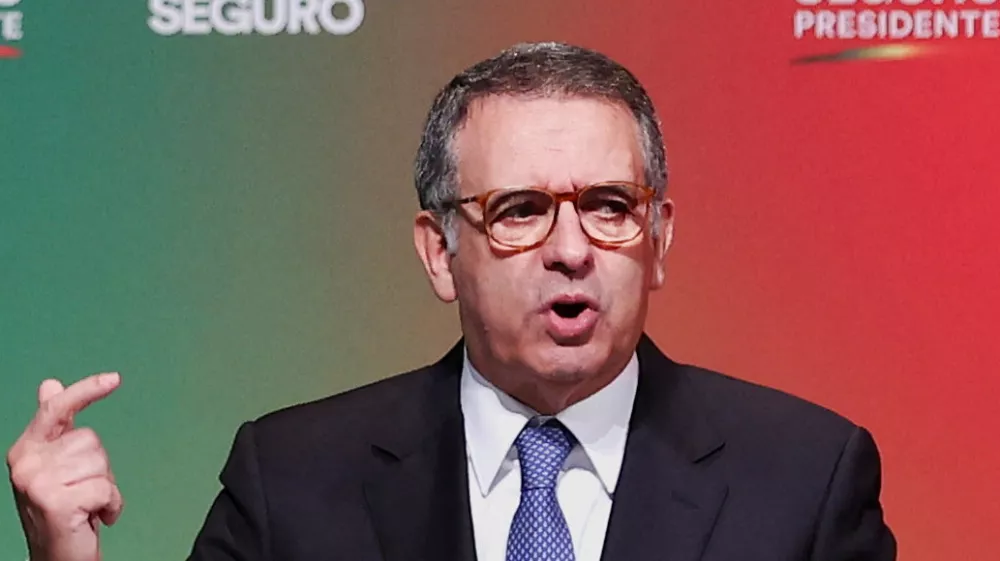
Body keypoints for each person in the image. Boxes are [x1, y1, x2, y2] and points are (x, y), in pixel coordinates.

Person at [6, 41, 896, 561]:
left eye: (609, 206)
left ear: (658, 240)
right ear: (440, 254)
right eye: (519, 210)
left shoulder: (806, 477)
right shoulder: (293, 477)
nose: (572, 249)